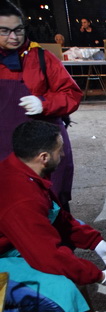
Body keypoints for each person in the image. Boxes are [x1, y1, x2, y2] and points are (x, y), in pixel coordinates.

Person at [0, 120, 106, 312]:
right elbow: (49, 257)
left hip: (12, 239)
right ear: (44, 157)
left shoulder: (20, 169)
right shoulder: (22, 199)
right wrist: (99, 276)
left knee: (77, 230)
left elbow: (57, 216)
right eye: (60, 150)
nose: (64, 154)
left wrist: (95, 242)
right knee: (62, 292)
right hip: (4, 254)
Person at [0, 0, 82, 211]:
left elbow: (72, 94)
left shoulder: (42, 58)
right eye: (5, 31)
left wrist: (44, 103)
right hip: (4, 147)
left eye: (18, 30)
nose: (14, 37)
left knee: (51, 202)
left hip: (43, 147)